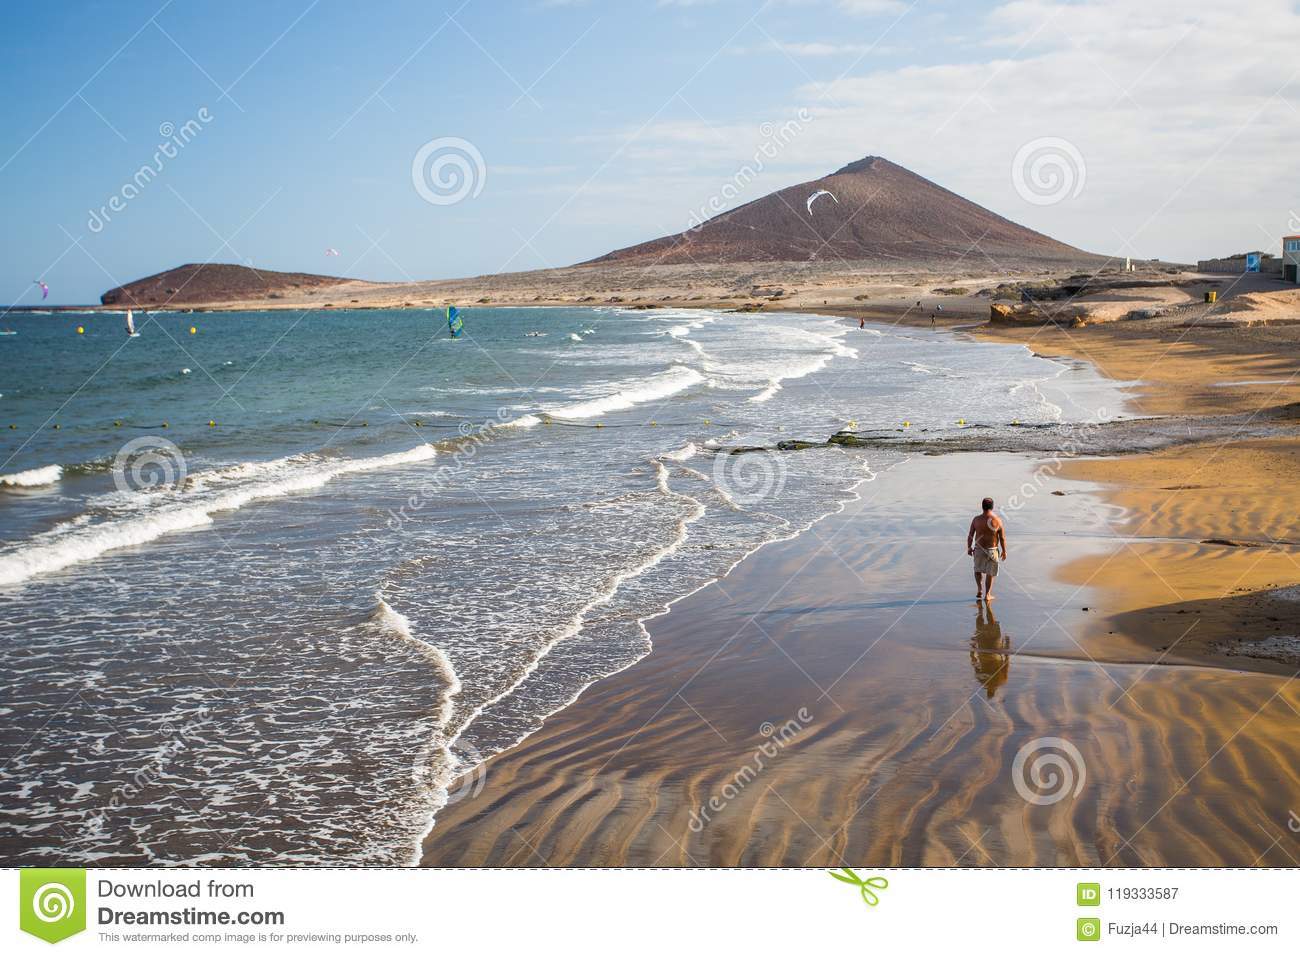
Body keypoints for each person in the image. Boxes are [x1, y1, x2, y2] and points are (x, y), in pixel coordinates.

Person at [966, 496, 1007, 601]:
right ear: (992, 507)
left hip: (979, 549)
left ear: (982, 507)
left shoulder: (976, 519)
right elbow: (1002, 538)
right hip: (992, 550)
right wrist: (1004, 551)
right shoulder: (997, 520)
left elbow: (970, 535)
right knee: (990, 572)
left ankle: (979, 589)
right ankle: (987, 594)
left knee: (977, 570)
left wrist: (969, 547)